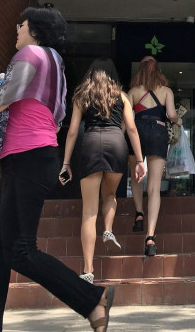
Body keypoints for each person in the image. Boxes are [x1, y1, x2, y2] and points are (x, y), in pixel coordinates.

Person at [0, 7, 113, 332]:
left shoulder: (31, 54)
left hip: (28, 157)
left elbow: (3, 98)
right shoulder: (55, 64)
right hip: (34, 158)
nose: (17, 27)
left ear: (35, 30)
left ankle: (91, 299)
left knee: (20, 250)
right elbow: (55, 116)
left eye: (22, 23)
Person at [60, 59, 147, 283]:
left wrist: (66, 163)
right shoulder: (122, 96)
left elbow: (72, 132)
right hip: (117, 145)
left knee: (89, 211)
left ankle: (88, 270)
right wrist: (139, 160)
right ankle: (108, 229)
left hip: (90, 145)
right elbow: (132, 129)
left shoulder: (82, 95)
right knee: (109, 195)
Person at [126, 56, 181, 257]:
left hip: (137, 132)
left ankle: (139, 213)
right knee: (154, 186)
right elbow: (172, 115)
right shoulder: (166, 91)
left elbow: (127, 120)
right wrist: (179, 121)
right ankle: (150, 237)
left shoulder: (132, 92)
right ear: (158, 70)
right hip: (158, 131)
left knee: (136, 176)